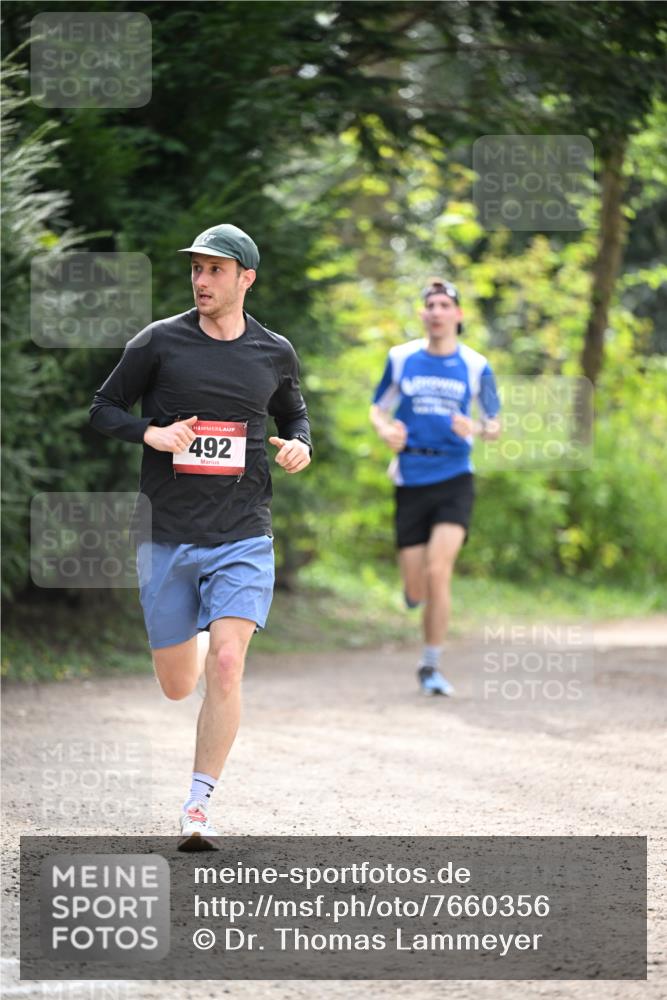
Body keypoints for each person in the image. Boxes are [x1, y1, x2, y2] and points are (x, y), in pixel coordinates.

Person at [89, 224, 311, 848]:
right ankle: (178, 643)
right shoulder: (159, 342)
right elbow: (102, 407)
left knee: (229, 661)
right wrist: (150, 434)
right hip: (168, 535)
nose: (202, 280)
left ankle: (197, 805)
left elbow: (293, 412)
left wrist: (300, 444)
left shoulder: (274, 351)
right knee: (177, 683)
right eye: (196, 269)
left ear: (247, 278)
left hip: (243, 531)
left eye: (216, 270)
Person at [370, 278, 500, 696]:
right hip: (410, 477)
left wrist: (475, 426)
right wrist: (386, 429)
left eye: (445, 305)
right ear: (423, 314)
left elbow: (495, 425)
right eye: (431, 305)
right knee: (416, 587)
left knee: (438, 570)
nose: (438, 312)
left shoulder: (477, 366)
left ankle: (431, 666)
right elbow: (377, 407)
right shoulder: (401, 357)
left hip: (455, 477)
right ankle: (413, 596)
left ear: (458, 315)